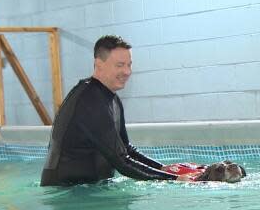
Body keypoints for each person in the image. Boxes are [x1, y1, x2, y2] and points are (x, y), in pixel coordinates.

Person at [41, 35, 196, 186]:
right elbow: (121, 161)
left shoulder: (112, 99)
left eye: (129, 65)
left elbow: (126, 149)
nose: (127, 72)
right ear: (99, 64)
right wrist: (173, 180)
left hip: (90, 189)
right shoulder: (90, 100)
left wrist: (163, 169)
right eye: (120, 65)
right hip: (66, 193)